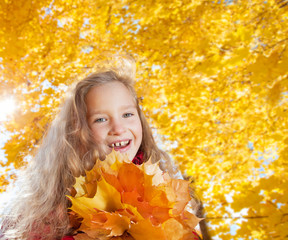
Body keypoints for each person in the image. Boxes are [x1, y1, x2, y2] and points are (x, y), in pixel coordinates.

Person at [0, 58, 205, 240]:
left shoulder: (167, 199)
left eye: (127, 115)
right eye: (100, 119)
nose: (118, 128)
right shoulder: (50, 212)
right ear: (76, 133)